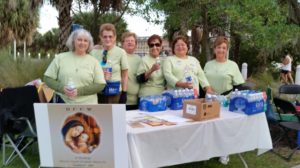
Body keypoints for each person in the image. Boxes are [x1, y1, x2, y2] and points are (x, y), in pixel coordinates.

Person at [204, 36, 245, 165]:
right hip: (210, 100)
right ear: (214, 49)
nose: (221, 50)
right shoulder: (208, 64)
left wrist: (232, 98)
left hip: (226, 101)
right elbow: (202, 83)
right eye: (219, 47)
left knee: (224, 128)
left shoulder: (232, 65)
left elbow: (239, 86)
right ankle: (210, 151)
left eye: (224, 48)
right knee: (210, 127)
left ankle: (224, 153)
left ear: (226, 50)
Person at [44, 29, 106, 104]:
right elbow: (47, 78)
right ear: (73, 41)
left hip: (88, 106)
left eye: (86, 40)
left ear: (89, 43)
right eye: (79, 40)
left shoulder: (94, 62)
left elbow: (100, 85)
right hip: (63, 103)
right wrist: (62, 88)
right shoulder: (60, 58)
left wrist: (79, 91)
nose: (82, 43)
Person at [90, 23, 129, 104]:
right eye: (105, 37)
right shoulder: (94, 52)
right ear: (100, 37)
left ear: (115, 37)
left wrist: (124, 93)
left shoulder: (121, 52)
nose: (108, 39)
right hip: (98, 93)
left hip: (115, 93)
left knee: (115, 116)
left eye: (110, 36)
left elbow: (125, 75)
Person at [121, 32, 141, 110]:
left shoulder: (139, 59)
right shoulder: (120, 56)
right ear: (123, 44)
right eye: (127, 40)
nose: (130, 42)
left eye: (132, 41)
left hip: (136, 100)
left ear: (135, 44)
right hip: (122, 99)